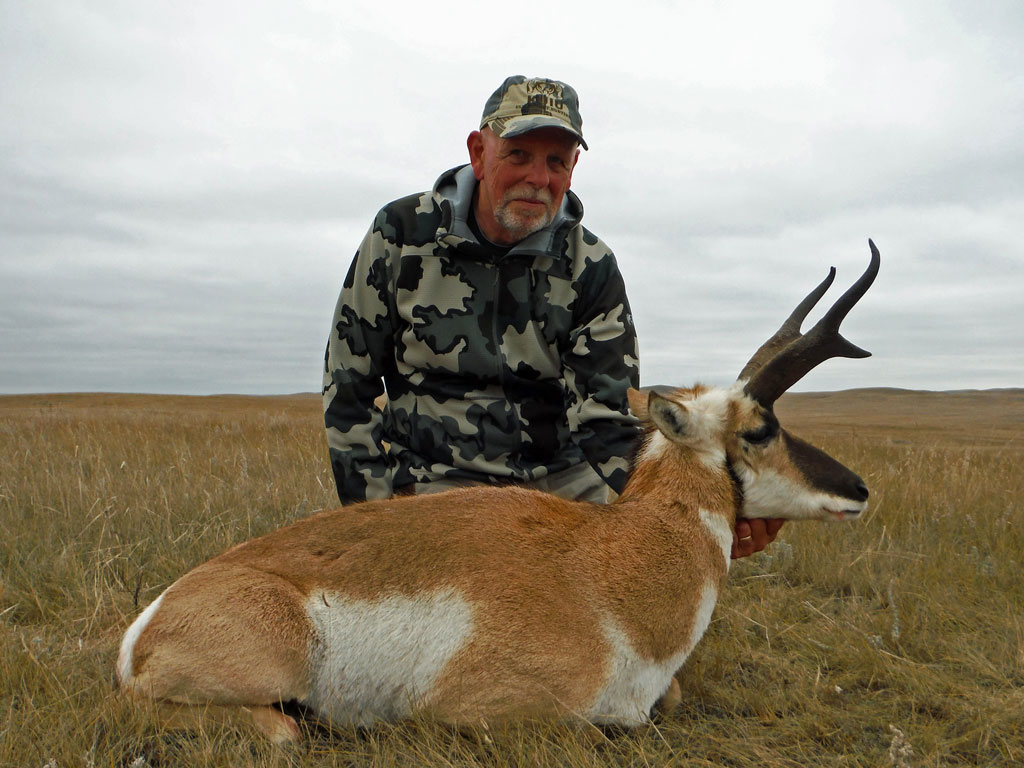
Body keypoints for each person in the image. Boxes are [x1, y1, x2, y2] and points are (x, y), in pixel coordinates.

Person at [322, 75, 780, 558]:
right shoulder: (400, 234)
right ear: (479, 154)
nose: (538, 179)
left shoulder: (592, 267)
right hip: (433, 490)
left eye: (556, 162)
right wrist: (373, 524)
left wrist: (713, 507)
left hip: (561, 497)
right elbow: (349, 388)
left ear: (572, 168)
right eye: (518, 154)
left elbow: (607, 420)